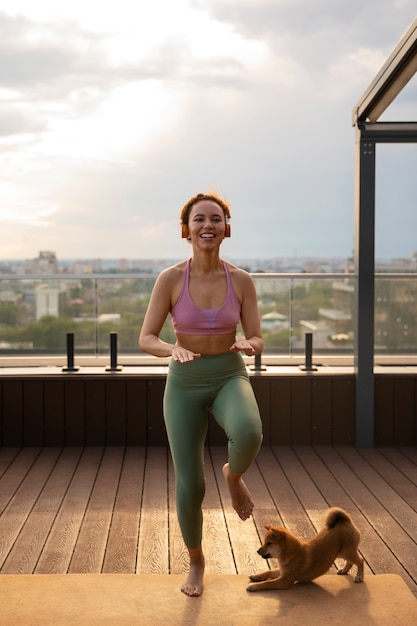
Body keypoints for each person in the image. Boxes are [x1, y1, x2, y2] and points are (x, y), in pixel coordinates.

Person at [139, 192, 263, 597]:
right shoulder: (171, 279)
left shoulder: (241, 280)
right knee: (191, 484)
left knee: (248, 433)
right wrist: (170, 348)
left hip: (228, 373)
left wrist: (251, 343)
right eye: (199, 220)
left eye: (216, 219)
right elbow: (146, 338)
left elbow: (258, 336)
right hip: (185, 381)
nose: (207, 225)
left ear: (227, 228)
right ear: (185, 230)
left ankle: (234, 474)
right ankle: (196, 562)